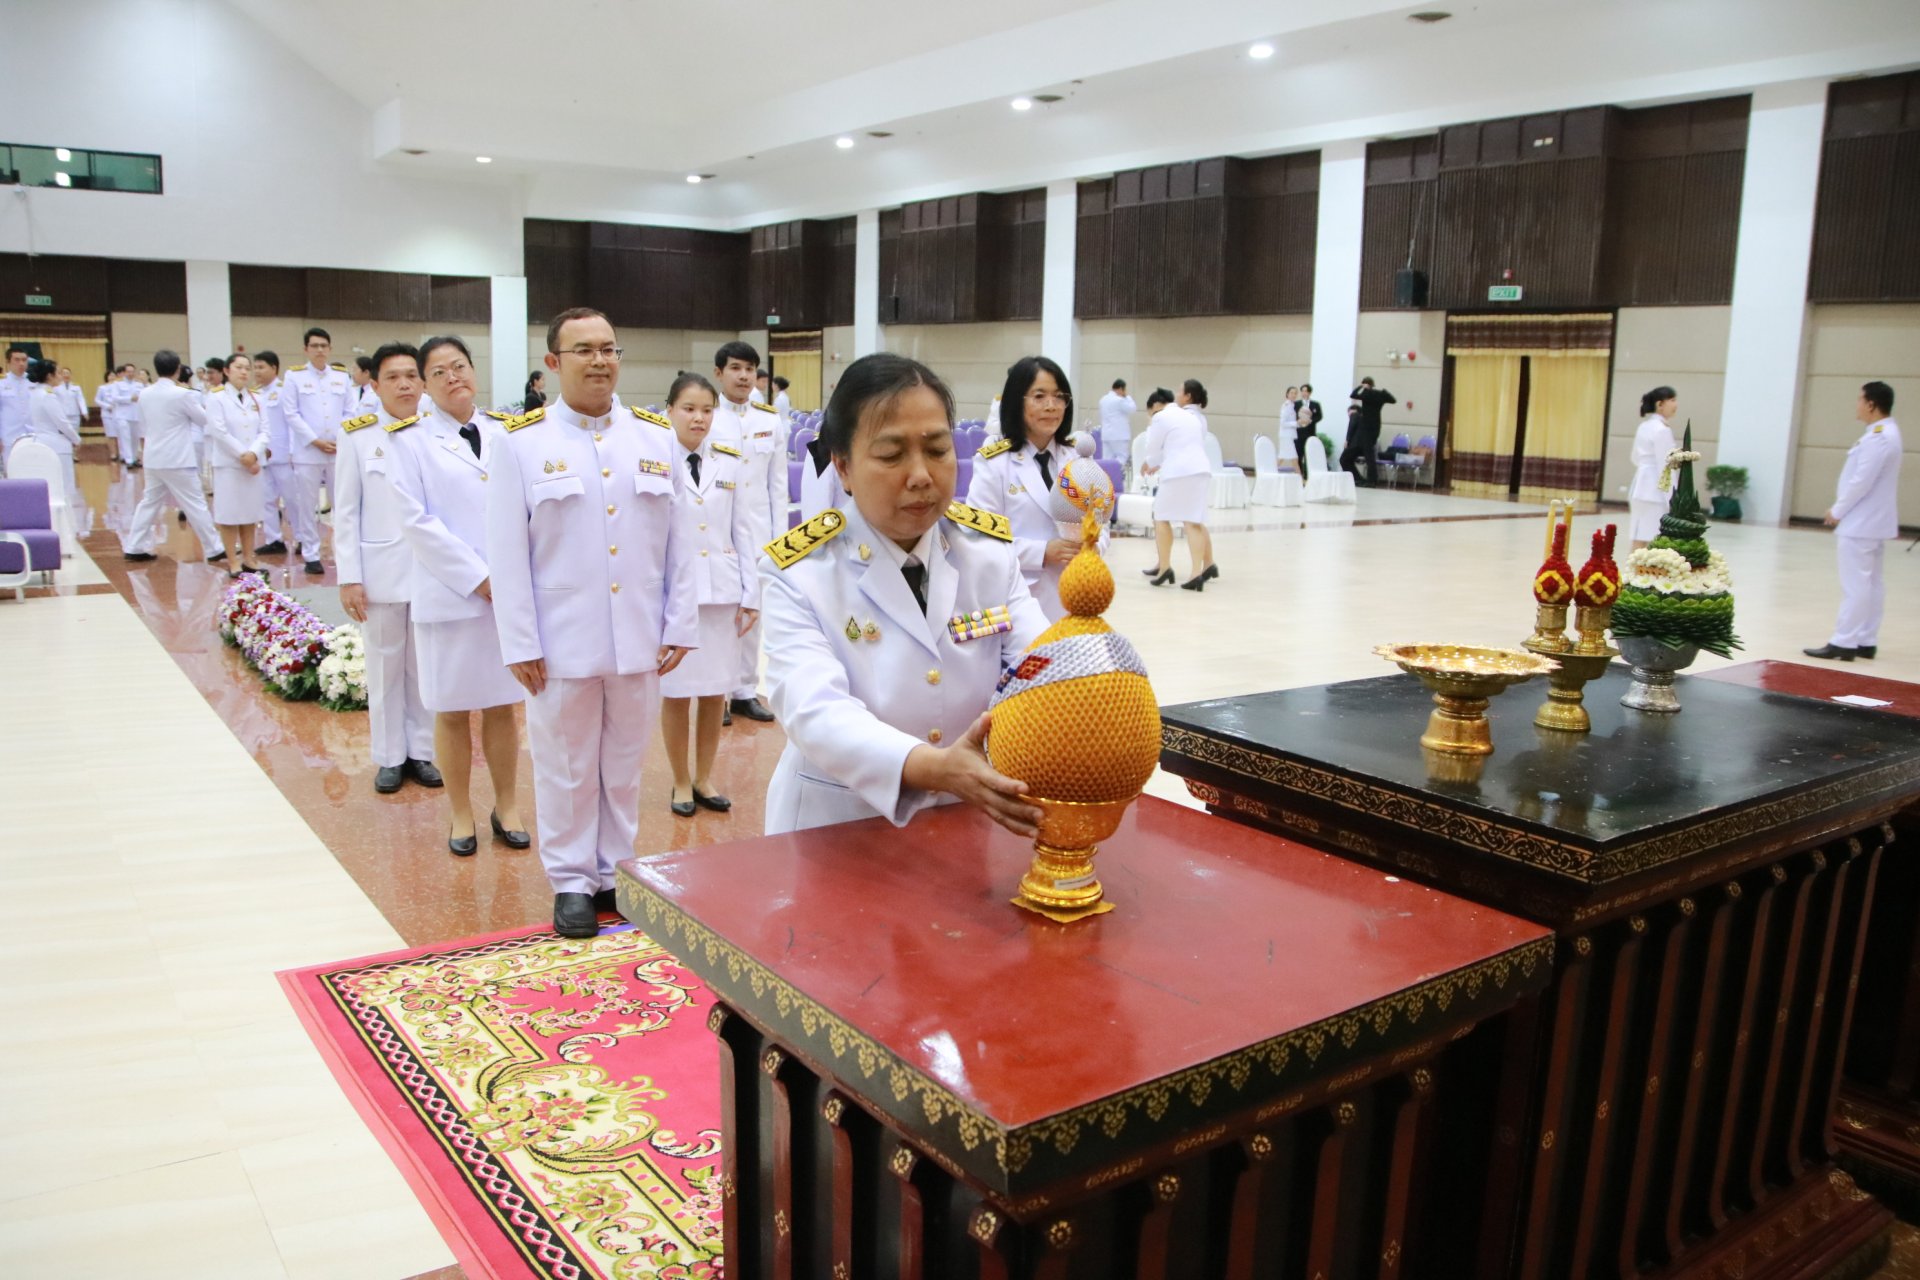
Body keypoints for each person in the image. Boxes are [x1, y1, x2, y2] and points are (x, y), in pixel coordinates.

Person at [759, 351, 1047, 836]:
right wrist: (935, 768)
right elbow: (814, 710)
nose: (921, 475)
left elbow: (1040, 665)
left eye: (937, 450)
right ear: (843, 467)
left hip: (961, 818)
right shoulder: (801, 571)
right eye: (892, 455)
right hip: (837, 826)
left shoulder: (988, 555)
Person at [485, 306, 698, 938]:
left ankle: (613, 871)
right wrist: (519, 641)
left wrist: (679, 623)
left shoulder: (655, 437)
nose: (600, 360)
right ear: (554, 362)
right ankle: (572, 880)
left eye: (609, 348)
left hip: (638, 634)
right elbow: (506, 552)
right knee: (566, 766)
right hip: (560, 640)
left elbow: (680, 540)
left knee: (625, 764)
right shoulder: (521, 442)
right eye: (584, 350)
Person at [387, 335, 528, 853]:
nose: (453, 377)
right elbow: (417, 523)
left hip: (507, 596)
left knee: (503, 704)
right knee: (451, 709)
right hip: (450, 596)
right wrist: (480, 578)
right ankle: (461, 812)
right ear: (426, 385)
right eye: (439, 372)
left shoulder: (506, 433)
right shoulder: (408, 442)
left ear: (474, 370)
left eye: (460, 366)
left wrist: (509, 578)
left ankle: (507, 805)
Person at [335, 342, 440, 795]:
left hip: (431, 571)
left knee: (424, 667)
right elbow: (345, 511)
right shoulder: (358, 436)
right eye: (393, 377)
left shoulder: (437, 431)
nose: (404, 385)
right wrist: (349, 577)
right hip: (379, 571)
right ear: (374, 385)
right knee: (383, 667)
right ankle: (390, 757)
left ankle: (422, 751)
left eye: (412, 376)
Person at [657, 373, 760, 817]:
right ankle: (681, 780)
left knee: (716, 692)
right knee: (677, 692)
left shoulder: (729, 462)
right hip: (677, 596)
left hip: (722, 593)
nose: (698, 418)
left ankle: (704, 777)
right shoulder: (654, 460)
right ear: (669, 411)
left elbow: (744, 530)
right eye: (689, 409)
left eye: (706, 410)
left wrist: (752, 593)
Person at [967, 356, 1106, 622]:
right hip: (1016, 597)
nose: (1051, 406)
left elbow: (1102, 518)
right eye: (1039, 396)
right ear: (1016, 402)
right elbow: (978, 536)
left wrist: (1095, 545)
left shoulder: (1076, 457)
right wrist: (1041, 553)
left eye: (1059, 397)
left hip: (1074, 594)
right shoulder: (994, 461)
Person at [707, 340, 781, 724]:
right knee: (721, 615)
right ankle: (716, 695)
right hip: (719, 533)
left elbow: (777, 486)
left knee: (753, 615)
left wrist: (780, 541)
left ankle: (745, 692)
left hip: (759, 532)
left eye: (750, 369)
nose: (744, 376)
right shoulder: (707, 418)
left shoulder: (770, 421)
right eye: (735, 368)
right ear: (719, 373)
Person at [1805, 381, 1903, 663]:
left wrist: (1838, 510)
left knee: (1856, 584)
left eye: (1860, 400)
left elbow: (1861, 480)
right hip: (1871, 521)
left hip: (1862, 522)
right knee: (1871, 582)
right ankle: (1865, 639)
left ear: (1871, 404)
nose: (1856, 405)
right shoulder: (1885, 433)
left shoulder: (1878, 438)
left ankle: (1844, 641)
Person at [118, 349, 224, 564]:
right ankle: (214, 548)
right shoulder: (182, 394)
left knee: (149, 502)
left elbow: (143, 423)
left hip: (153, 457)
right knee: (195, 503)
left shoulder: (145, 393)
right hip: (178, 459)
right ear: (177, 369)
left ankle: (134, 546)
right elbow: (203, 420)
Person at [281, 327, 353, 575]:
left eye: (324, 346)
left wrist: (340, 438)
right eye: (314, 346)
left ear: (330, 349)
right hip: (308, 451)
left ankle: (342, 552)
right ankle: (311, 553)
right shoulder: (294, 377)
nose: (320, 350)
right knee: (307, 504)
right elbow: (291, 413)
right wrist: (315, 440)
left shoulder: (341, 377)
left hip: (337, 450)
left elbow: (350, 411)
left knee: (341, 503)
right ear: (306, 349)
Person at [1140, 387, 1215, 590]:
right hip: (1201, 470)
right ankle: (1196, 574)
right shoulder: (1190, 416)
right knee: (1193, 522)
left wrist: (1149, 462)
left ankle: (1165, 568)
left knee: (1161, 517)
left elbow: (1152, 448)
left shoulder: (1160, 417)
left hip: (1177, 472)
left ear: (1155, 407)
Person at [204, 353, 268, 577]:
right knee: (229, 513)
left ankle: (249, 557)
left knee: (250, 512)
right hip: (229, 464)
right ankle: (233, 561)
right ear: (227, 371)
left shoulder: (257, 397)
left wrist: (254, 453)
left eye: (247, 368)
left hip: (253, 463)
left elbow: (265, 431)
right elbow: (219, 432)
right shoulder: (217, 397)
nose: (243, 372)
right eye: (238, 367)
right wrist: (243, 454)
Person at [250, 351, 293, 554]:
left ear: (274, 368)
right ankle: (273, 539)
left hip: (284, 455)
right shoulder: (255, 394)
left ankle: (302, 538)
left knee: (293, 500)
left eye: (261, 367)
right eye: (255, 367)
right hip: (264, 456)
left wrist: (293, 452)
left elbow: (292, 423)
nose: (257, 371)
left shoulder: (284, 391)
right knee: (266, 499)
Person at [1627, 386, 1679, 549]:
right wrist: (1673, 496)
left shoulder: (1644, 426)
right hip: (1655, 492)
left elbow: (1635, 457)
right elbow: (1666, 466)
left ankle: (1633, 565)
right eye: (1672, 400)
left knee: (1638, 536)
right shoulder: (1662, 430)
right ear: (1660, 404)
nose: (1675, 405)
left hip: (1640, 487)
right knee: (1655, 538)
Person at [26, 359, 81, 505]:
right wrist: (76, 439)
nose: (60, 376)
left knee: (49, 486)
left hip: (42, 442)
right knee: (63, 487)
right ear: (49, 376)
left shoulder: (35, 392)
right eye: (57, 373)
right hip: (57, 445)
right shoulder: (48, 395)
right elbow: (62, 422)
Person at [1343, 377, 1396, 487]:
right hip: (1375, 427)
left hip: (1366, 426)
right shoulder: (1380, 394)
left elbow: (1353, 395)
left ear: (1365, 385)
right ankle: (1369, 480)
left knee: (1368, 455)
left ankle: (1371, 480)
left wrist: (1360, 387)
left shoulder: (1366, 394)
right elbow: (1393, 400)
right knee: (1369, 454)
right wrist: (1385, 391)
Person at [1, 345, 34, 473]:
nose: (21, 363)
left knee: (32, 471)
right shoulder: (2, 383)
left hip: (33, 435)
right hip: (9, 436)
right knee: (11, 472)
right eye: (17, 360)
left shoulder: (34, 382)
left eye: (24, 360)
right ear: (8, 362)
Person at [1098, 378, 1137, 471]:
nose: (1125, 392)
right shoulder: (1119, 400)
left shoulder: (1103, 400)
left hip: (1106, 435)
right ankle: (1116, 474)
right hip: (1119, 435)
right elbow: (1132, 408)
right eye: (1124, 390)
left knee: (1107, 459)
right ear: (1120, 389)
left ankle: (1107, 477)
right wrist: (1128, 397)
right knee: (1122, 457)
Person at [1295, 382, 1323, 473]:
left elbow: (1319, 416)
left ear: (1310, 393)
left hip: (1310, 432)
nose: (1304, 393)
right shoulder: (1296, 404)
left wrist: (1310, 420)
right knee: (1299, 454)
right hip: (1299, 433)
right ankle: (1300, 474)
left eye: (1306, 391)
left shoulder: (1315, 404)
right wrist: (1299, 421)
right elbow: (1293, 416)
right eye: (1302, 391)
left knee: (1309, 454)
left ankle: (1308, 473)